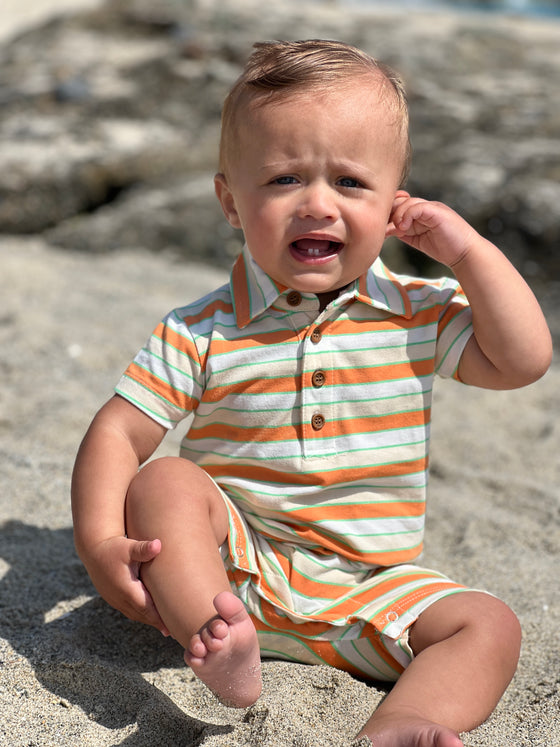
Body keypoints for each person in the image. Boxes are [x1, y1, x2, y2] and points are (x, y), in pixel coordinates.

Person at [71, 39, 552, 747]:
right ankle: (220, 639)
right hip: (237, 569)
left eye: (351, 184)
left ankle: (398, 722)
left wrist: (469, 252)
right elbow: (117, 433)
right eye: (285, 178)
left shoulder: (417, 311)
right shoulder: (202, 328)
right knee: (167, 478)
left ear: (396, 202)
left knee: (489, 624)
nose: (318, 204)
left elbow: (523, 360)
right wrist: (100, 541)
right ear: (231, 200)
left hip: (371, 585)